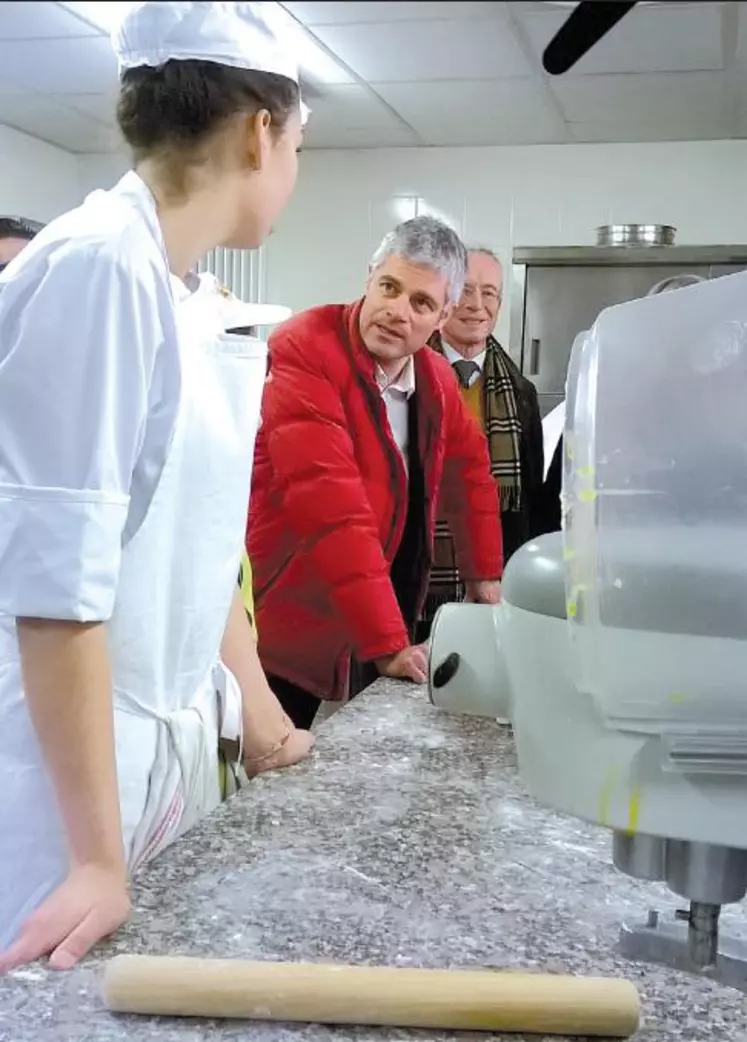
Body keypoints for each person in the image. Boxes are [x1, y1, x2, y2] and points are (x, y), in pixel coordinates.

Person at [0, 1, 314, 972]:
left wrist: (258, 709)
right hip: (64, 776)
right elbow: (57, 589)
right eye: (301, 143)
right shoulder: (98, 267)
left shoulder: (175, 288)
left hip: (156, 750)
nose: (295, 171)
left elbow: (191, 538)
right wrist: (94, 856)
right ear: (260, 134)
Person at [248, 216, 503, 730]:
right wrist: (388, 642)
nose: (396, 312)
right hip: (287, 612)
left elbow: (470, 473)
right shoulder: (304, 347)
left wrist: (485, 578)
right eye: (389, 287)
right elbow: (331, 509)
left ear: (443, 315)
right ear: (369, 277)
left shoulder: (434, 378)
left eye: (421, 303)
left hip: (372, 606)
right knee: (271, 764)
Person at [423, 248, 543, 629]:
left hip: (495, 584)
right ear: (444, 297)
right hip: (414, 578)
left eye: (489, 293)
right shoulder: (403, 375)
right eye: (465, 290)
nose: (477, 305)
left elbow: (531, 504)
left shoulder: (521, 394)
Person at [536, 272, 708, 535]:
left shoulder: (724, 409)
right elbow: (557, 496)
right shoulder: (602, 400)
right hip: (620, 554)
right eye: (664, 325)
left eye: (691, 326)